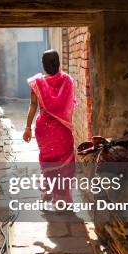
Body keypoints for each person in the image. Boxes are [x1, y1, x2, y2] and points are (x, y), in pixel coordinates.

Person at [23, 49, 76, 204]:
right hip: (62, 131)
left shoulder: (37, 83)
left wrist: (27, 128)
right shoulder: (67, 81)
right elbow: (70, 107)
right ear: (58, 63)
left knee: (48, 163)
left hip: (44, 130)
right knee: (63, 165)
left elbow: (33, 105)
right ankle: (62, 199)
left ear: (43, 65)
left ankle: (46, 192)